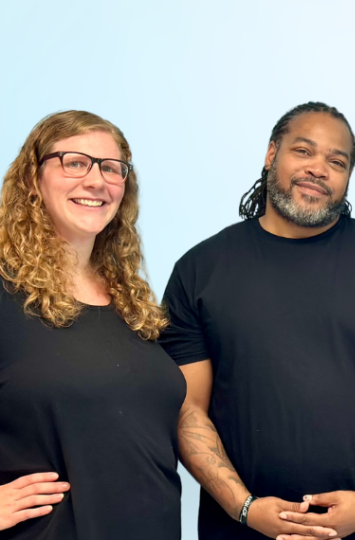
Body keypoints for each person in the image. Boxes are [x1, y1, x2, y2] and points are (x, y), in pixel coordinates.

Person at [159, 102, 355, 540]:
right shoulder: (200, 269)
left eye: (337, 161)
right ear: (271, 154)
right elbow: (186, 408)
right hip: (240, 528)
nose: (319, 169)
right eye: (304, 152)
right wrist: (246, 508)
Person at [0, 111, 184, 539]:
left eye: (111, 168)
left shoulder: (131, 303)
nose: (97, 180)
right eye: (75, 162)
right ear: (32, 178)